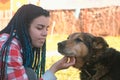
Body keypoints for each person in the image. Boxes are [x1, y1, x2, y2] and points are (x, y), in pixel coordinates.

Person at [0, 4, 75, 80]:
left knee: (29, 73)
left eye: (46, 28)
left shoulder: (8, 40)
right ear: (24, 27)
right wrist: (53, 70)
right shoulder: (10, 48)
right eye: (39, 28)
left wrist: (54, 68)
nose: (45, 33)